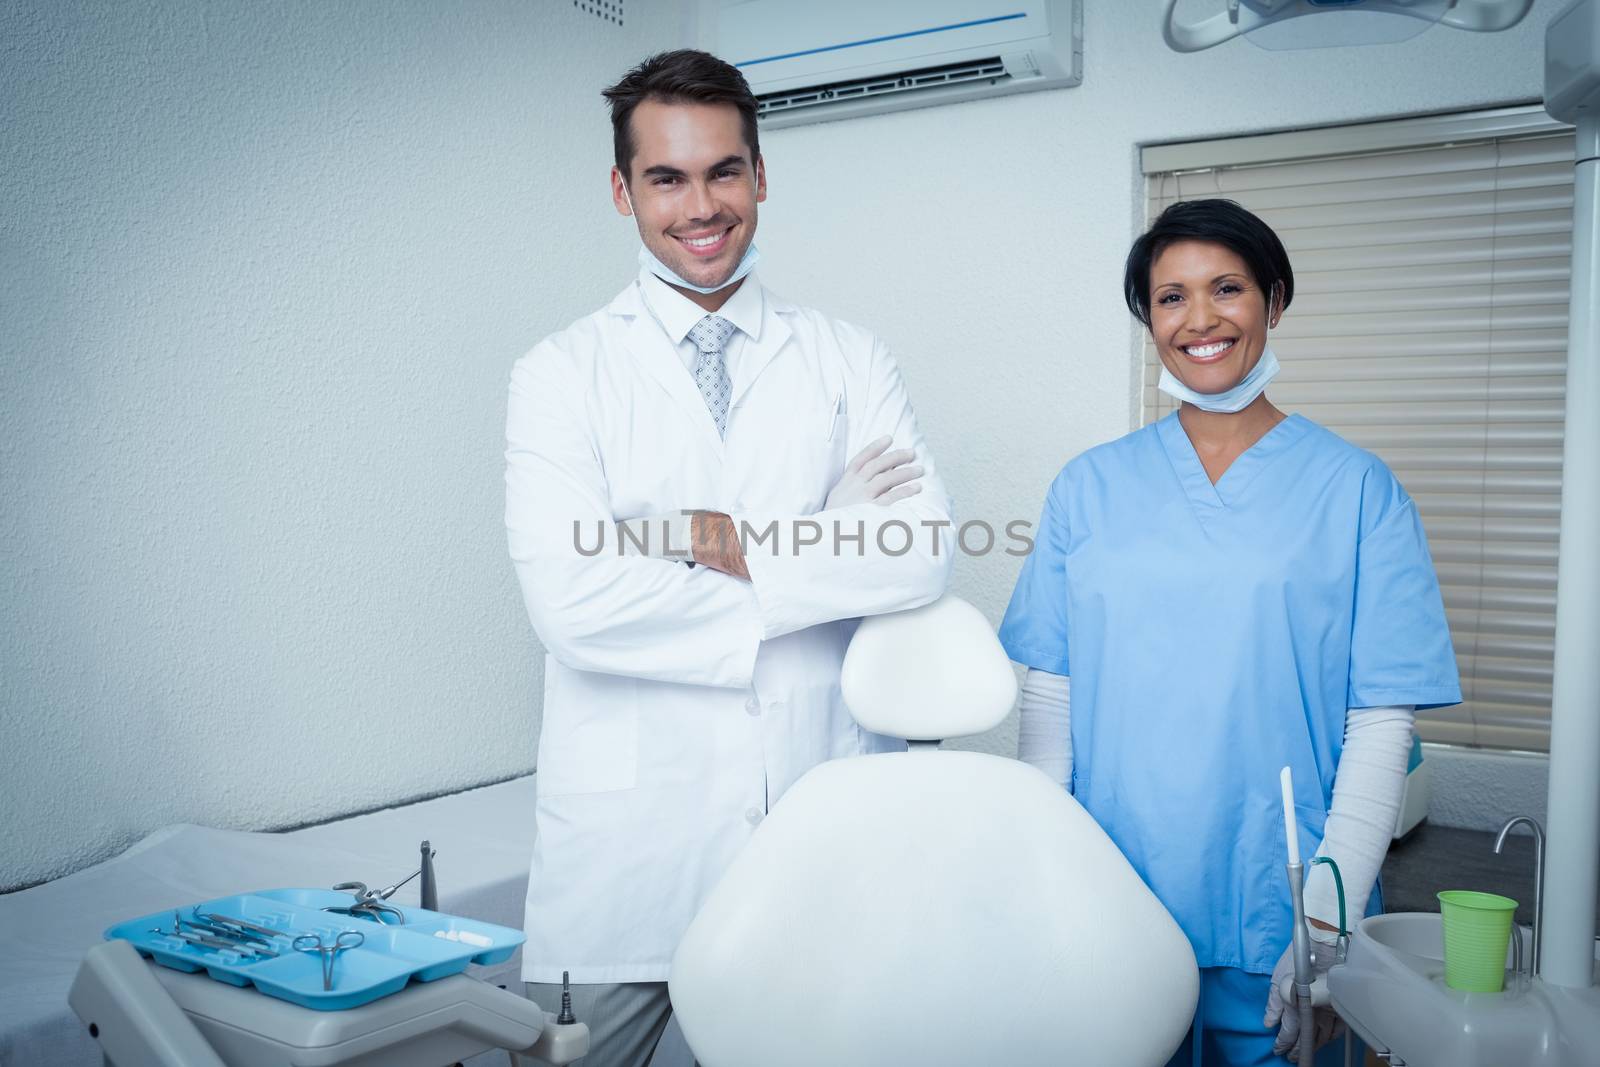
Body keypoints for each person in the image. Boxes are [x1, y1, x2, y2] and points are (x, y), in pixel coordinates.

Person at [504, 49, 953, 1067]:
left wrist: (703, 541)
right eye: (665, 177)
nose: (699, 205)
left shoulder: (848, 356)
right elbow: (572, 600)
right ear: (623, 190)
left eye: (722, 171)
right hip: (626, 853)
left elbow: (920, 549)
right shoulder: (560, 374)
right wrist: (824, 542)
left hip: (817, 829)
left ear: (760, 174)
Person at [998, 198, 1460, 1066]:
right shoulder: (1088, 489)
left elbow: (1381, 722)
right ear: (1149, 319)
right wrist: (1041, 891)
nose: (1199, 319)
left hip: (1278, 911)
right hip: (1113, 907)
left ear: (1273, 300)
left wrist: (1325, 919)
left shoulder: (1358, 489)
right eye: (1170, 298)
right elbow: (1049, 711)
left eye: (1226, 288)